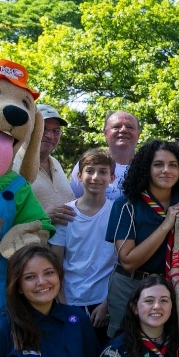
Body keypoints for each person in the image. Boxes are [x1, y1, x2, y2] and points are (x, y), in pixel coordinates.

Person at [105, 140, 179, 336]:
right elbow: (128, 261)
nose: (166, 170)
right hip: (130, 287)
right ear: (146, 168)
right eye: (158, 164)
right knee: (126, 344)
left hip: (171, 287)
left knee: (172, 344)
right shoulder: (127, 205)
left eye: (173, 165)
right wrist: (167, 225)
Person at [49, 148, 117, 345]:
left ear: (111, 177)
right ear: (79, 176)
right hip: (70, 301)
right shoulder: (65, 214)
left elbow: (121, 264)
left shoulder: (117, 213)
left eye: (103, 171)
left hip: (104, 303)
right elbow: (56, 264)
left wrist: (108, 304)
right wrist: (63, 305)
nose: (96, 177)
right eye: (90, 170)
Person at [13, 103, 74, 226]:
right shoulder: (11, 164)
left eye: (56, 131)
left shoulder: (55, 163)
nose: (50, 135)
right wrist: (43, 217)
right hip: (29, 243)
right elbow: (1, 214)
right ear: (27, 128)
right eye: (43, 128)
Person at [70, 110, 139, 203]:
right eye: (116, 127)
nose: (123, 130)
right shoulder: (87, 166)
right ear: (105, 133)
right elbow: (73, 200)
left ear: (138, 134)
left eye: (130, 127)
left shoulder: (149, 167)